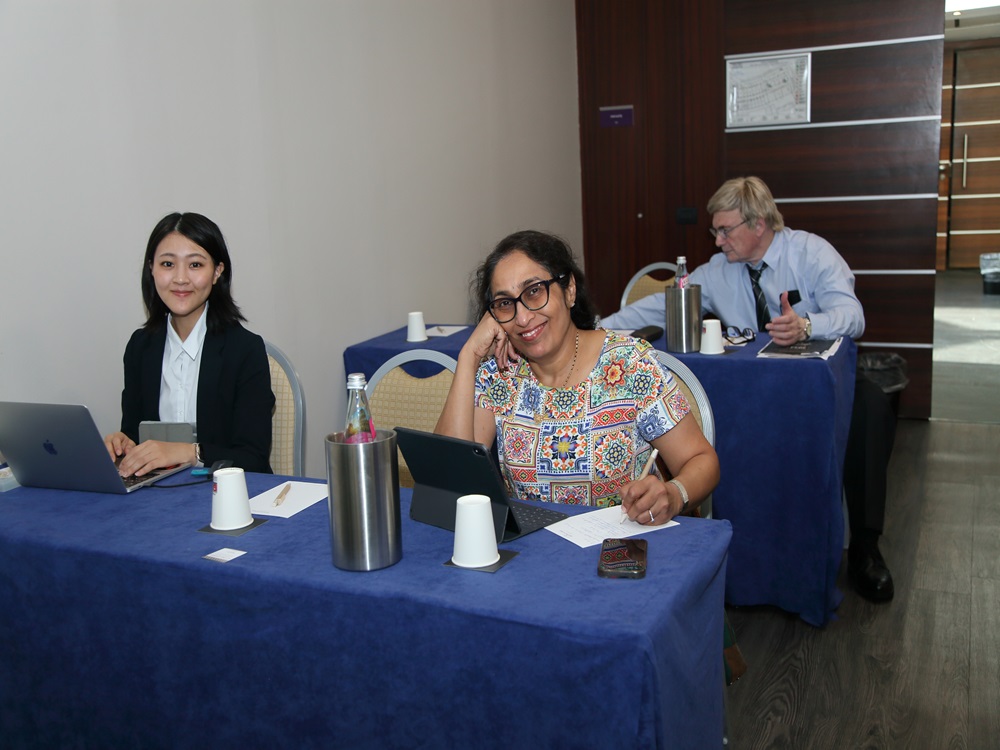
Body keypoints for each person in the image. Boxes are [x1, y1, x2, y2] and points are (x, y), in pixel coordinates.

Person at [602, 176, 897, 602]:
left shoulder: (810, 252)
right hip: (754, 395)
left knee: (871, 408)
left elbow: (853, 315)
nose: (718, 240)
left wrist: (808, 325)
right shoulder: (717, 270)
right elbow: (660, 304)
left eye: (725, 230)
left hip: (816, 384)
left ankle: (866, 547)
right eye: (714, 231)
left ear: (759, 224)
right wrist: (596, 331)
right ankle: (745, 547)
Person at [435, 230, 719, 523]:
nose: (522, 318)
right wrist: (468, 356)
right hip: (532, 554)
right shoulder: (501, 373)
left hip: (618, 550)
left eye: (534, 291)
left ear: (569, 289)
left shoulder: (629, 364)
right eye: (505, 303)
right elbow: (448, 486)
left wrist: (673, 495)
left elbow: (701, 461)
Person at [104, 212, 275, 476]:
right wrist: (124, 445)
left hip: (226, 498)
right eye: (168, 264)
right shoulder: (141, 347)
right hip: (158, 498)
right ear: (152, 269)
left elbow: (254, 458)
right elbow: (135, 434)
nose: (181, 278)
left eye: (195, 265)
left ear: (217, 272)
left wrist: (188, 452)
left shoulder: (244, 350)